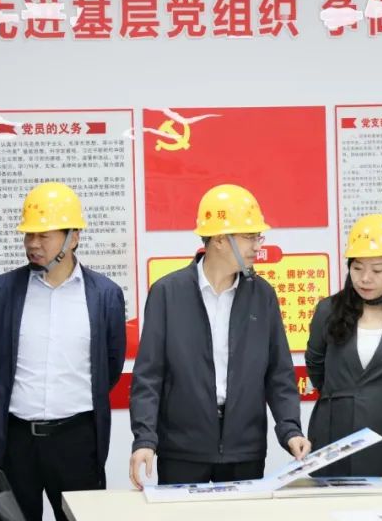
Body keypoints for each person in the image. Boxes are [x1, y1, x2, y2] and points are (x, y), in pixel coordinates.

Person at [0, 181, 126, 521]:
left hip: (77, 442)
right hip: (15, 442)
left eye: (44, 235)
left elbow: (109, 367)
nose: (33, 244)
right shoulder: (2, 291)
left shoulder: (105, 295)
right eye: (29, 234)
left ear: (73, 237)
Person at [129, 183, 311, 487]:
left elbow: (278, 373)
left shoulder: (262, 296)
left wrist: (290, 430)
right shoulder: (167, 293)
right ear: (219, 240)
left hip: (245, 450)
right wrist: (144, 439)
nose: (257, 246)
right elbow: (149, 375)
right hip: (183, 450)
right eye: (249, 237)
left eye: (258, 236)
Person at [305, 214, 382, 476]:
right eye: (357, 268)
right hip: (334, 433)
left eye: (377, 270)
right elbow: (316, 365)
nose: (365, 278)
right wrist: (343, 399)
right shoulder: (328, 310)